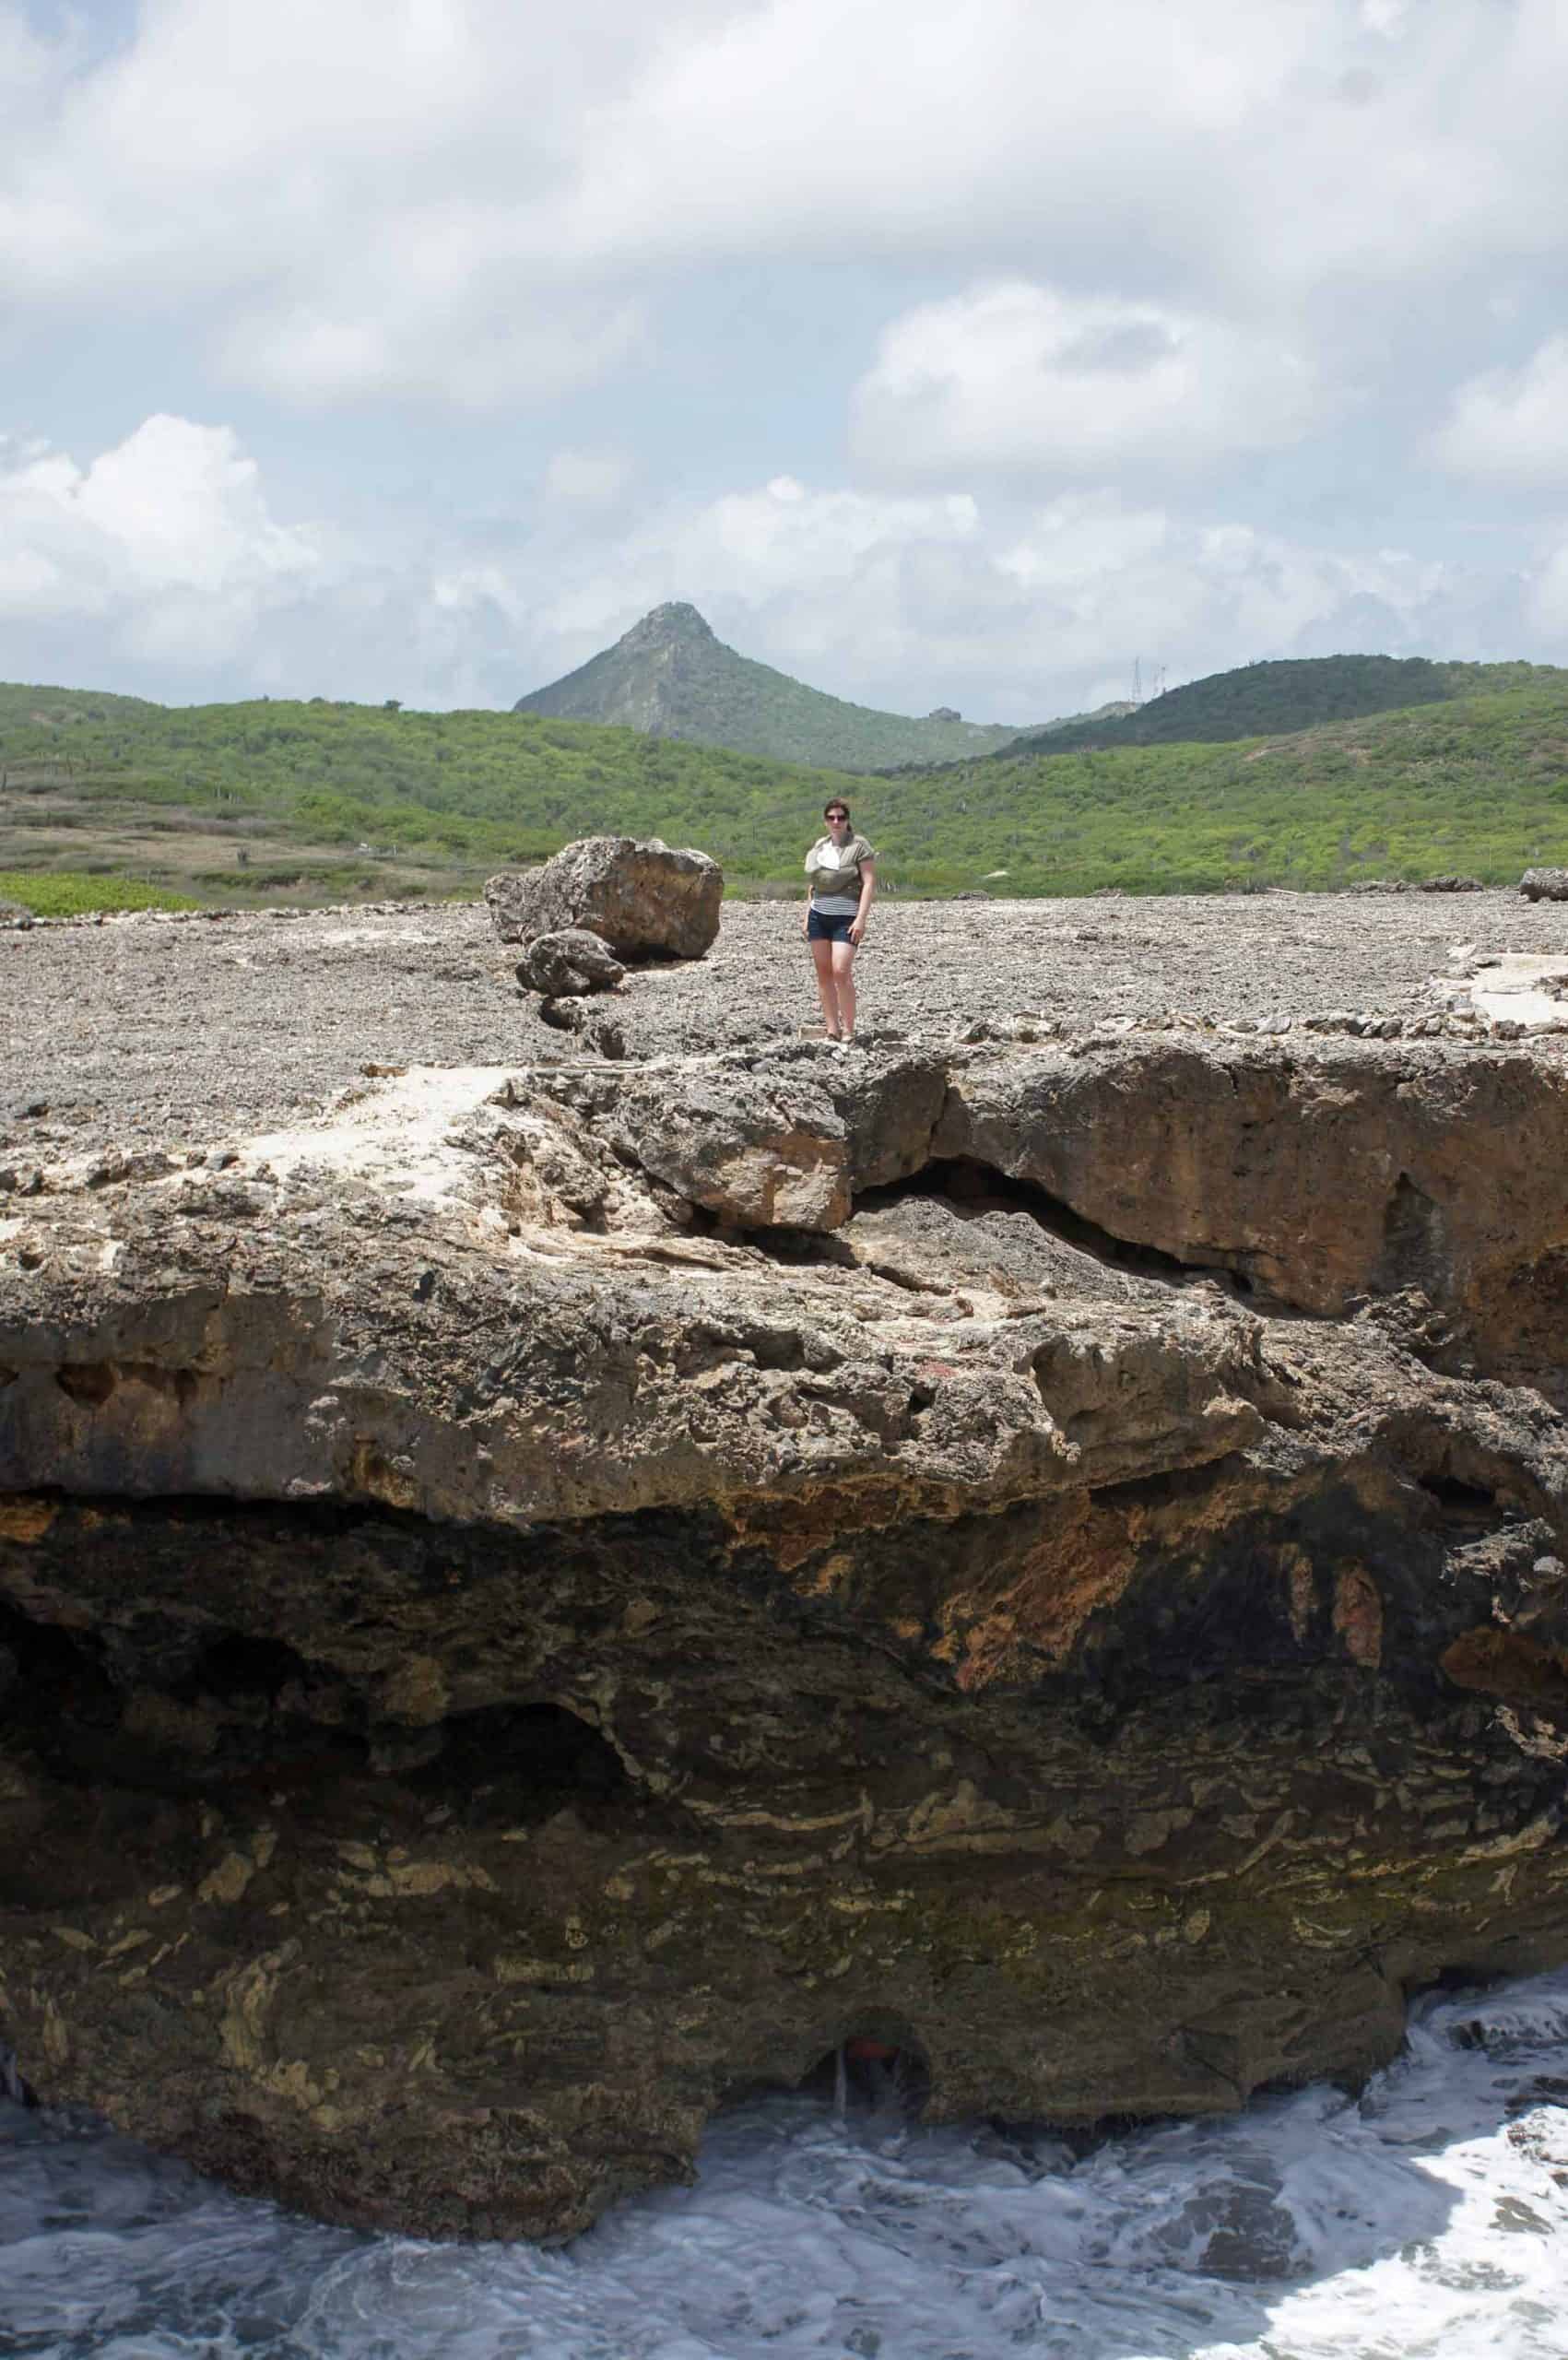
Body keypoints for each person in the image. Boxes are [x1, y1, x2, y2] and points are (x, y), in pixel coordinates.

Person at [803, 798, 877, 1044]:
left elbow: (868, 882)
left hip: (846, 916)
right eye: (831, 817)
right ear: (825, 820)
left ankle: (849, 1029)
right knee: (823, 973)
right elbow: (815, 884)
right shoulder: (820, 846)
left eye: (841, 817)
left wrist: (861, 918)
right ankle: (832, 1028)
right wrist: (806, 915)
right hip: (819, 915)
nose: (836, 822)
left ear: (847, 820)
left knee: (841, 971)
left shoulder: (859, 845)